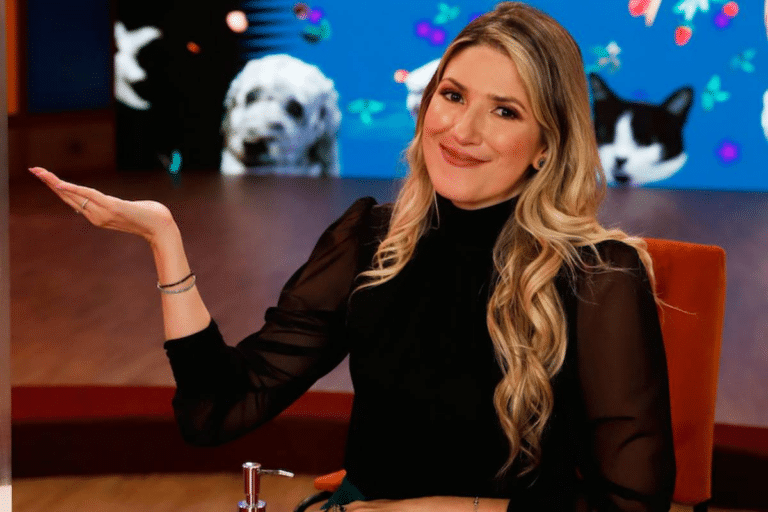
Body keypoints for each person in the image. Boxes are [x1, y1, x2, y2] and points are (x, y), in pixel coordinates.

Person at [29, 2, 676, 511]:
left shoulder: (600, 276)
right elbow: (215, 411)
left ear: (546, 145)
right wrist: (164, 241)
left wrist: (445, 510)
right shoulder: (370, 238)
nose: (461, 131)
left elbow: (631, 502)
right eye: (452, 96)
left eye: (504, 111)